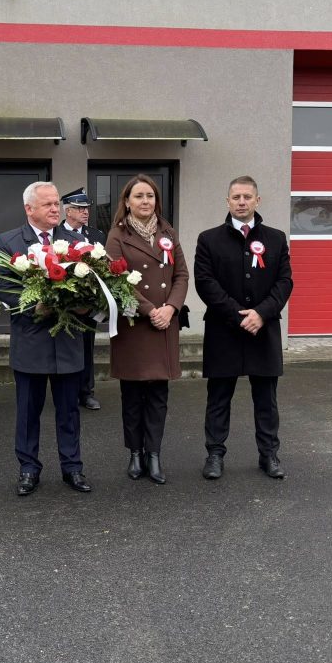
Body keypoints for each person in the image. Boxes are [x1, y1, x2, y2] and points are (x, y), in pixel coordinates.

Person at [0, 181, 92, 496]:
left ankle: (72, 468)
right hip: (32, 342)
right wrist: (37, 304)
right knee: (27, 412)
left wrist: (84, 302)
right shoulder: (8, 243)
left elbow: (91, 285)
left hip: (68, 341)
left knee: (69, 412)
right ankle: (28, 468)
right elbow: (0, 287)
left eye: (56, 204)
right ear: (28, 208)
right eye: (47, 204)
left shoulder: (75, 241)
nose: (54, 209)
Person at [193, 175, 293, 480]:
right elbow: (205, 283)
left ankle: (269, 455)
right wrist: (239, 315)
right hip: (224, 329)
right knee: (219, 397)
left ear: (257, 201)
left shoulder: (275, 238)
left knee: (266, 399)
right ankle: (214, 454)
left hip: (264, 330)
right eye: (235, 197)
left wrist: (261, 314)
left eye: (247, 197)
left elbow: (284, 281)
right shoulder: (208, 239)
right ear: (227, 201)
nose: (241, 202)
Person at [104, 175, 189, 484]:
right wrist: (151, 310)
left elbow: (181, 274)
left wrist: (171, 308)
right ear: (127, 201)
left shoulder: (168, 232)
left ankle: (153, 454)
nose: (145, 201)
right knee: (132, 395)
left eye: (150, 196)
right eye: (138, 196)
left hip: (164, 325)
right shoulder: (117, 235)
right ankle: (135, 454)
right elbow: (116, 278)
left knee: (158, 395)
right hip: (135, 326)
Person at [60, 186, 104, 411]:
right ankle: (67, 391)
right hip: (64, 307)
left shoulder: (97, 236)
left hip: (87, 306)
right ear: (68, 211)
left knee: (87, 348)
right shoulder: (56, 236)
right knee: (66, 348)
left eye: (87, 208)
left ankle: (87, 392)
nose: (85, 212)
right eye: (79, 208)